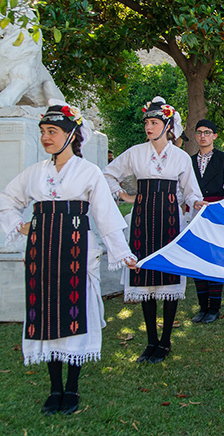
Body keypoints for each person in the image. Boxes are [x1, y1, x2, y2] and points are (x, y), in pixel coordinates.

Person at [0, 101, 137, 416]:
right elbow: (8, 199)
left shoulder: (88, 172)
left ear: (71, 135)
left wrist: (123, 253)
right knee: (46, 312)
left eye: (52, 131)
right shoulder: (36, 173)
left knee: (76, 312)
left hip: (76, 252)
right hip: (41, 253)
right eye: (43, 131)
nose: (45, 138)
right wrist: (19, 225)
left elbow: (106, 216)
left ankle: (72, 387)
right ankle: (54, 389)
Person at [103, 97, 205, 364]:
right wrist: (124, 195)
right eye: (147, 122)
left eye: (154, 122)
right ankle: (150, 340)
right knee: (144, 275)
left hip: (170, 220)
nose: (149, 127)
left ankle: (166, 340)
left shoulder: (180, 157)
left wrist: (196, 202)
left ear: (167, 126)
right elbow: (108, 174)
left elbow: (191, 191)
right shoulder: (136, 153)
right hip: (142, 220)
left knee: (168, 275)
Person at [189, 119, 224, 324]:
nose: (203, 136)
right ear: (195, 135)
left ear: (214, 136)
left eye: (207, 132)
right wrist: (192, 201)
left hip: (216, 214)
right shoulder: (189, 160)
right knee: (198, 259)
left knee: (215, 258)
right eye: (199, 132)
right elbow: (184, 186)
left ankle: (214, 307)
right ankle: (202, 306)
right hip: (195, 213)